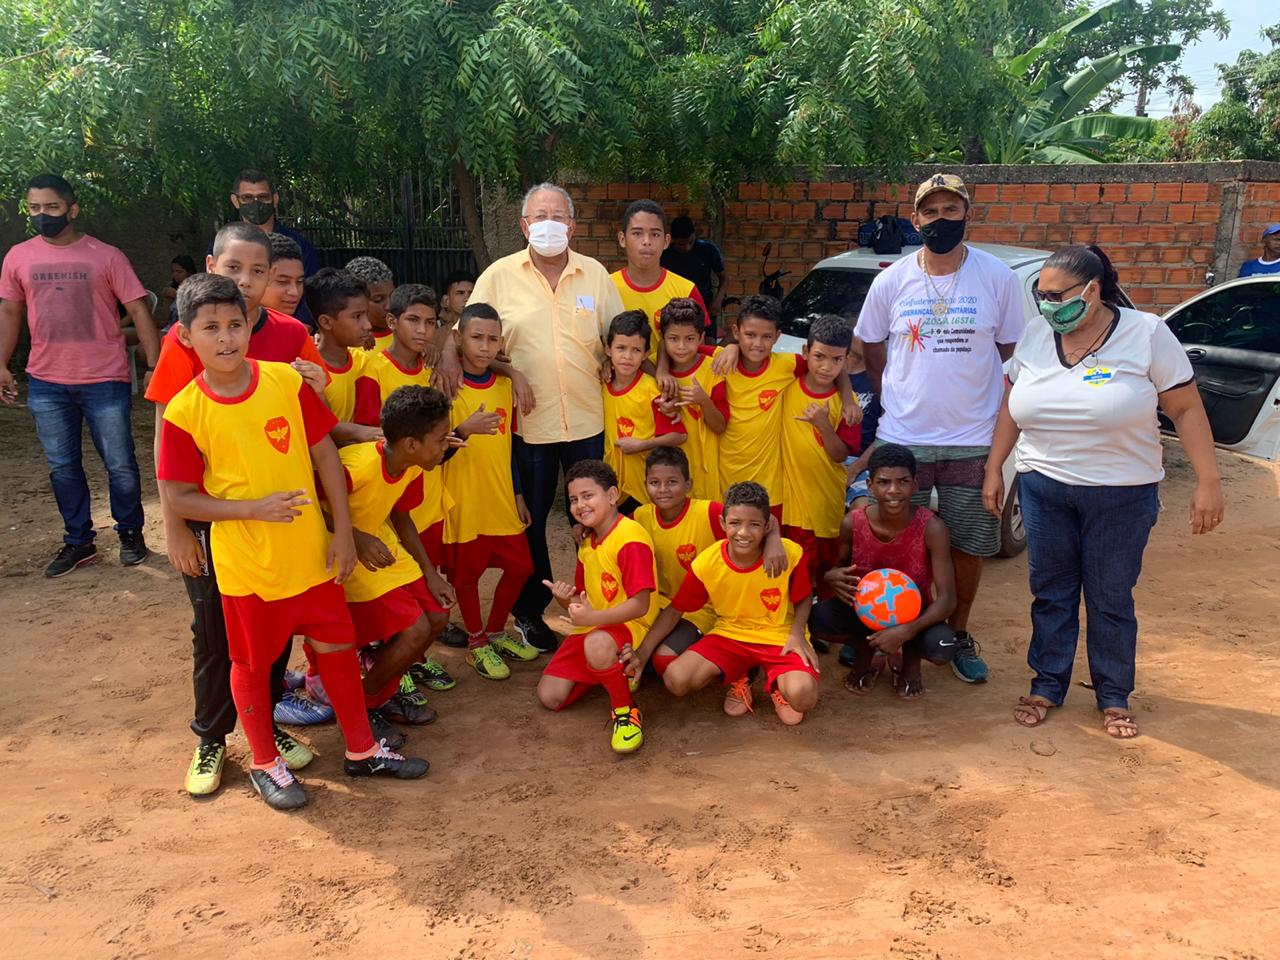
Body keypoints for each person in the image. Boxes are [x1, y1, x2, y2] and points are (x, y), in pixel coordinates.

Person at [157, 273, 429, 811]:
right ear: (187, 337)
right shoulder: (185, 411)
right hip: (248, 569)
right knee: (253, 667)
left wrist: (344, 535)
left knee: (337, 651)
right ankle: (265, 763)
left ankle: (362, 749)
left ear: (250, 325)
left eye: (235, 324)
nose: (226, 337)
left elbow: (326, 453)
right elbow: (179, 497)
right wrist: (249, 510)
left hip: (312, 556)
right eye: (211, 328)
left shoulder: (284, 381)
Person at [983, 244, 1224, 739]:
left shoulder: (1146, 334)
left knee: (1110, 596)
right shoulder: (1035, 335)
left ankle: (1113, 694)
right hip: (1044, 488)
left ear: (1092, 291)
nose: (1047, 305)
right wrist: (994, 468)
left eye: (1055, 295)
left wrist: (1209, 481)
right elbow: (1011, 407)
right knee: (1050, 594)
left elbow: (1185, 410)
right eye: (1040, 295)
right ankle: (1047, 683)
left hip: (1121, 494)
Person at [147, 221, 328, 795]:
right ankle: (210, 739)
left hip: (275, 516)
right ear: (211, 266)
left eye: (259, 272)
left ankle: (265, 727)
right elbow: (165, 428)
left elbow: (313, 416)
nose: (247, 283)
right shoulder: (189, 337)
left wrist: (319, 381)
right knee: (214, 631)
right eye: (234, 270)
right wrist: (175, 527)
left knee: (270, 627)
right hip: (211, 516)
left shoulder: (288, 333)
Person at [854, 173, 1023, 684]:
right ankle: (883, 626)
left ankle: (958, 631)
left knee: (968, 544)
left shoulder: (998, 278)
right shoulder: (892, 280)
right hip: (903, 436)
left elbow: (1010, 355)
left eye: (952, 210)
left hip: (973, 439)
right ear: (915, 220)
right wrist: (895, 398)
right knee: (891, 540)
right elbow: (872, 349)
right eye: (932, 212)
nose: (942, 220)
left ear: (967, 215)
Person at [462, 182, 625, 653]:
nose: (548, 223)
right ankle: (531, 613)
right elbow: (470, 342)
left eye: (558, 215)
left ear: (572, 225)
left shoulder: (594, 275)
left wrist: (614, 361)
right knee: (529, 522)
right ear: (524, 225)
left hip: (586, 421)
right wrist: (509, 368)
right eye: (540, 216)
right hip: (528, 425)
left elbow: (617, 338)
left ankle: (597, 604)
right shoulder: (497, 276)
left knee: (594, 516)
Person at [0, 173, 159, 577]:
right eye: (34, 208)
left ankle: (130, 534)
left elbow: (140, 309)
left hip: (104, 378)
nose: (42, 215)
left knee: (120, 464)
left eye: (51, 207)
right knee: (62, 467)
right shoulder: (18, 257)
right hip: (47, 381)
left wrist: (156, 366)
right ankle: (79, 541)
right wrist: (1, 363)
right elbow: (9, 312)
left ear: (72, 209)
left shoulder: (105, 256)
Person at [629, 481, 820, 726]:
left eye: (754, 524)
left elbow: (803, 596)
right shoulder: (707, 562)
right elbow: (677, 609)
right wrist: (642, 654)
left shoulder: (789, 554)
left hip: (779, 636)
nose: (743, 532)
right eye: (735, 523)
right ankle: (742, 674)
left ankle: (777, 685)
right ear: (722, 524)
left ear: (767, 526)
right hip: (731, 634)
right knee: (676, 679)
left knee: (803, 697)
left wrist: (797, 634)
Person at [328, 387, 456, 734]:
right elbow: (310, 504)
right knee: (414, 630)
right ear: (412, 443)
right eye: (442, 439)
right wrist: (354, 537)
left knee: (437, 615)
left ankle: (383, 692)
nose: (447, 445)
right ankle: (363, 703)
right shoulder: (357, 465)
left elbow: (401, 517)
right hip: (343, 549)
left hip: (379, 542)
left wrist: (431, 574)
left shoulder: (413, 464)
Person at [632, 447, 788, 713]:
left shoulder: (708, 512)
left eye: (672, 482)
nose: (663, 490)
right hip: (662, 605)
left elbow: (761, 516)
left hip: (702, 609)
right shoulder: (641, 516)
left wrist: (773, 540)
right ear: (645, 484)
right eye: (654, 483)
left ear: (688, 484)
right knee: (638, 651)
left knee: (663, 661)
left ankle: (741, 673)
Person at [811, 444, 959, 699]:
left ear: (915, 484)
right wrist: (831, 576)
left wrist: (907, 631)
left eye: (902, 481)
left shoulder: (932, 528)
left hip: (915, 615)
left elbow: (948, 599)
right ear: (869, 486)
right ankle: (865, 653)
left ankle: (911, 662)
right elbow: (839, 568)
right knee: (814, 619)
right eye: (883, 482)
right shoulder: (853, 523)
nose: (893, 490)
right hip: (865, 612)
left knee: (943, 648)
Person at [442, 302, 540, 680]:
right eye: (476, 337)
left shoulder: (503, 385)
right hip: (464, 498)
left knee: (521, 567)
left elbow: (509, 447)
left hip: (500, 497)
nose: (484, 346)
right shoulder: (446, 384)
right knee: (466, 576)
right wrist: (464, 429)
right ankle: (476, 643)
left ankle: (497, 630)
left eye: (492, 339)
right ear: (459, 339)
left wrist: (517, 495)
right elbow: (435, 451)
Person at [536, 460, 657, 755]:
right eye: (574, 499)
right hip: (596, 625)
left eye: (588, 496)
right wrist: (565, 599)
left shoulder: (629, 537)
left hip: (630, 624)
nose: (580, 505)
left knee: (598, 644)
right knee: (551, 697)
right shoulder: (588, 542)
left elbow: (640, 605)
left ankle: (625, 711)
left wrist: (592, 617)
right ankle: (617, 675)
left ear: (613, 495)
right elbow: (583, 602)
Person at [713, 295, 857, 518]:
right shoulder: (721, 362)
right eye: (750, 335)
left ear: (777, 337)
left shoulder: (786, 365)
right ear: (736, 331)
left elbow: (829, 363)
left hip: (772, 487)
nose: (757, 344)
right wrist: (730, 347)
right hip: (725, 480)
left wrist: (847, 399)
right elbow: (680, 351)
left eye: (766, 336)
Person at [780, 314, 861, 587]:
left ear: (846, 359)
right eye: (819, 357)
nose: (827, 367)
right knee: (795, 576)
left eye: (837, 360)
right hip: (790, 506)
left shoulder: (848, 405)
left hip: (826, 504)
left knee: (827, 578)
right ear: (805, 353)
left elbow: (840, 455)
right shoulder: (786, 383)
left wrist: (823, 425)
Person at [602, 310, 686, 512]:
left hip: (644, 485)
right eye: (621, 348)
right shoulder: (601, 384)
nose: (627, 357)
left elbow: (679, 435)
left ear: (646, 354)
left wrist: (643, 444)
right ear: (608, 349)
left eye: (636, 350)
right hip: (613, 482)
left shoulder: (651, 390)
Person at [610, 199, 707, 366]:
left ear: (666, 241)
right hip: (622, 391)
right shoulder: (605, 287)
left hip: (674, 389)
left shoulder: (686, 290)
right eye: (637, 233)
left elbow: (700, 350)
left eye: (655, 234)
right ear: (622, 239)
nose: (646, 241)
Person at [223, 168, 320, 328]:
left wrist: (299, 329)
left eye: (263, 197)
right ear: (235, 201)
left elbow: (311, 290)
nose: (256, 203)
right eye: (247, 197)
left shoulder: (299, 244)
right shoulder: (225, 244)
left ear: (274, 199)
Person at [659, 296, 728, 500]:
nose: (681, 346)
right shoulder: (657, 371)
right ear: (663, 339)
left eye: (689, 338)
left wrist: (703, 400)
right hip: (667, 473)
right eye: (673, 338)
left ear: (701, 338)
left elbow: (720, 426)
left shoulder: (713, 369)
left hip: (705, 471)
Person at [661, 215, 726, 338]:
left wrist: (718, 300)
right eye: (681, 244)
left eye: (690, 242)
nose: (687, 247)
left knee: (709, 345)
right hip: (674, 310)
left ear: (694, 234)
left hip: (704, 306)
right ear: (672, 239)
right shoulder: (664, 255)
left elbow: (724, 277)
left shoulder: (708, 250)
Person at [346, 256, 395, 349]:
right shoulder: (343, 346)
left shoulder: (409, 333)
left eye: (392, 296)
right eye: (378, 300)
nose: (389, 306)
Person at [262, 234, 306, 319]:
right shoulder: (235, 329)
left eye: (299, 282)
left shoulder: (296, 330)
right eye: (283, 281)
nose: (295, 292)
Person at [158, 255, 197, 329]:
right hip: (170, 326)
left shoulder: (196, 288)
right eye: (173, 271)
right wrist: (167, 299)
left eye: (179, 272)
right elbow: (164, 319)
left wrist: (177, 295)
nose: (175, 275)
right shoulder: (172, 287)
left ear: (189, 272)